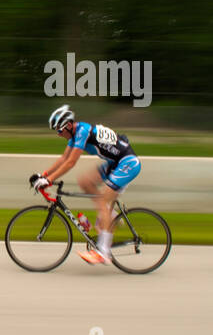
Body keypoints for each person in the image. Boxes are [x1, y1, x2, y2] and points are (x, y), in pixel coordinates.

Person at [30, 104, 141, 265]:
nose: (58, 134)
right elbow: (63, 159)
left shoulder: (82, 131)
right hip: (115, 163)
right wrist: (44, 175)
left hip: (127, 163)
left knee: (102, 200)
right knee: (85, 181)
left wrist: (49, 181)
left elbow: (71, 163)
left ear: (68, 125)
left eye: (59, 130)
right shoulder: (75, 135)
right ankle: (109, 216)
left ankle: (103, 253)